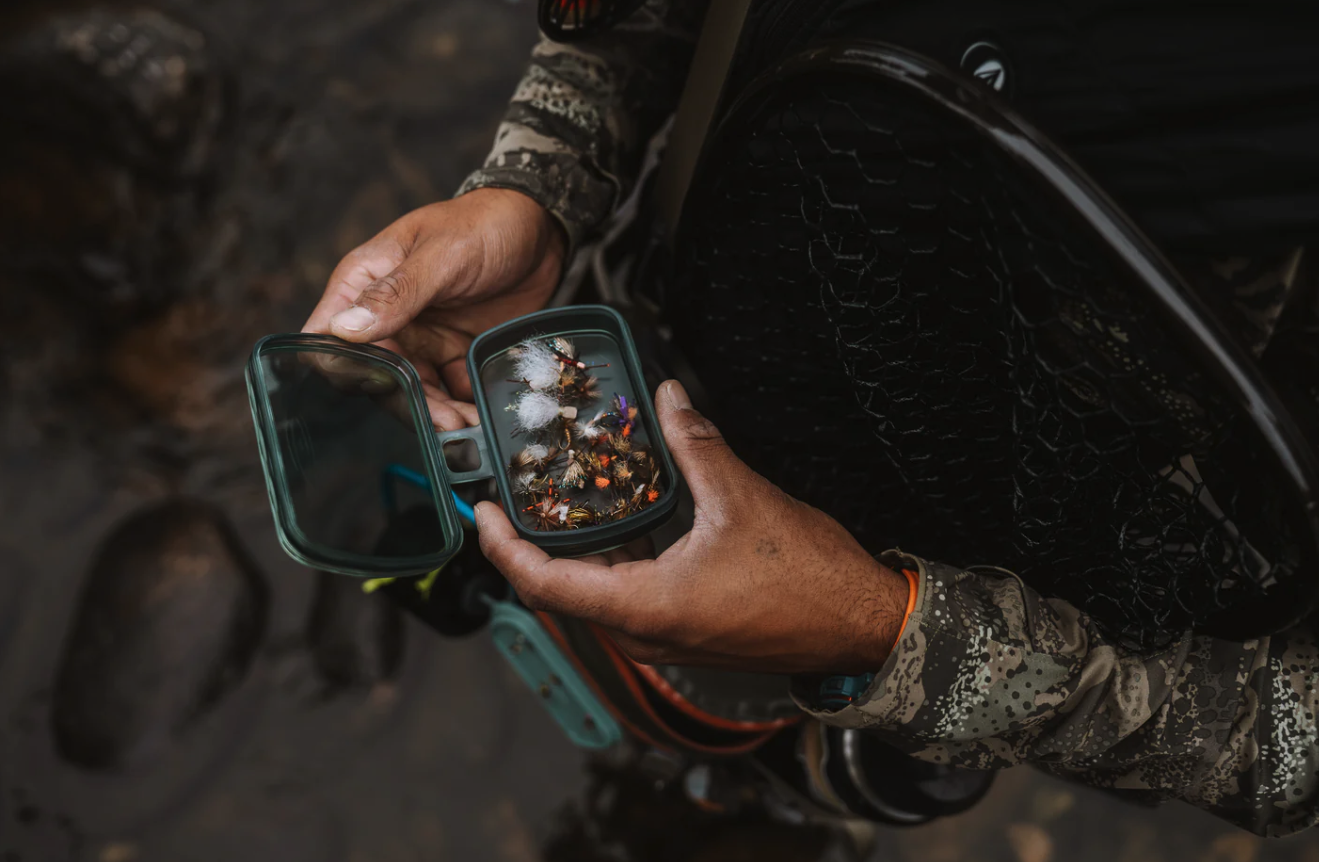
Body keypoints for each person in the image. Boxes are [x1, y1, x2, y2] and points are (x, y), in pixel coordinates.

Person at [302, 0, 1319, 837]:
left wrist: (891, 639)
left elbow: (1293, 741)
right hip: (652, 335)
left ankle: (797, 767)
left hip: (980, 578)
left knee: (859, 756)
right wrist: (537, 182)